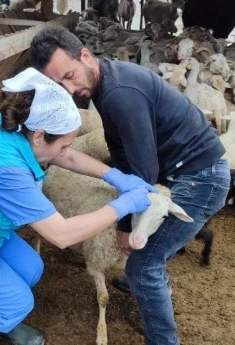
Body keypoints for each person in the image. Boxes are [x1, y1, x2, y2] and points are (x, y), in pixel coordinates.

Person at [0, 67, 155, 345]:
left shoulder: (8, 125)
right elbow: (61, 234)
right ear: (39, 136)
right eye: (64, 144)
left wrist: (115, 176)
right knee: (19, 303)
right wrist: (123, 205)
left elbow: (65, 156)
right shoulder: (4, 169)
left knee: (31, 270)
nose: (65, 151)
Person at [29, 26, 231, 345]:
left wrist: (124, 224)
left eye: (69, 75)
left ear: (84, 56)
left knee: (142, 265)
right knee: (145, 254)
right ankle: (142, 278)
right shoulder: (106, 85)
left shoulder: (120, 93)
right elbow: (122, 152)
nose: (69, 88)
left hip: (199, 178)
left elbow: (143, 171)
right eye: (60, 83)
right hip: (181, 170)